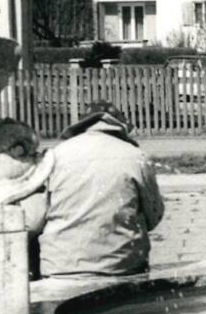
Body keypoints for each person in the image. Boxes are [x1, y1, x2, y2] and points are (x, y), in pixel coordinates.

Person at [31, 102, 164, 279]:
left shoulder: (55, 155)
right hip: (123, 267)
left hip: (61, 268)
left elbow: (33, 222)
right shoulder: (135, 155)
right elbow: (153, 217)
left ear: (81, 125)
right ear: (119, 127)